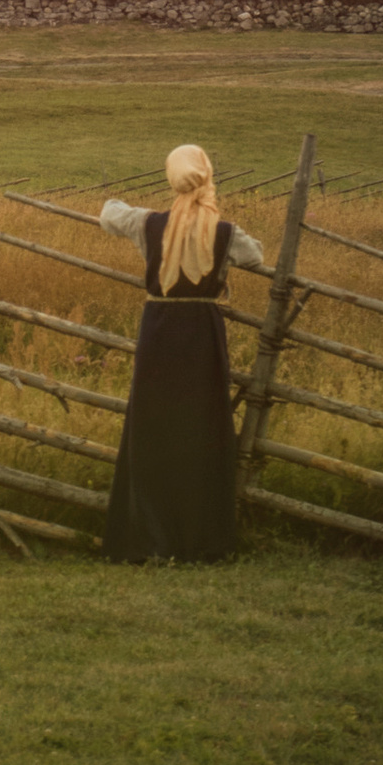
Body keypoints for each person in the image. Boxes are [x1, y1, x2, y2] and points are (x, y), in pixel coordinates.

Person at [97, 146, 264, 564]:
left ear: (173, 179)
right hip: (202, 333)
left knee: (153, 426)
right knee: (200, 425)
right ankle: (199, 538)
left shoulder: (148, 223)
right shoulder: (224, 232)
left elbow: (108, 213)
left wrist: (141, 206)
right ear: (207, 177)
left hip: (159, 330)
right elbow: (255, 255)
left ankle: (149, 536)